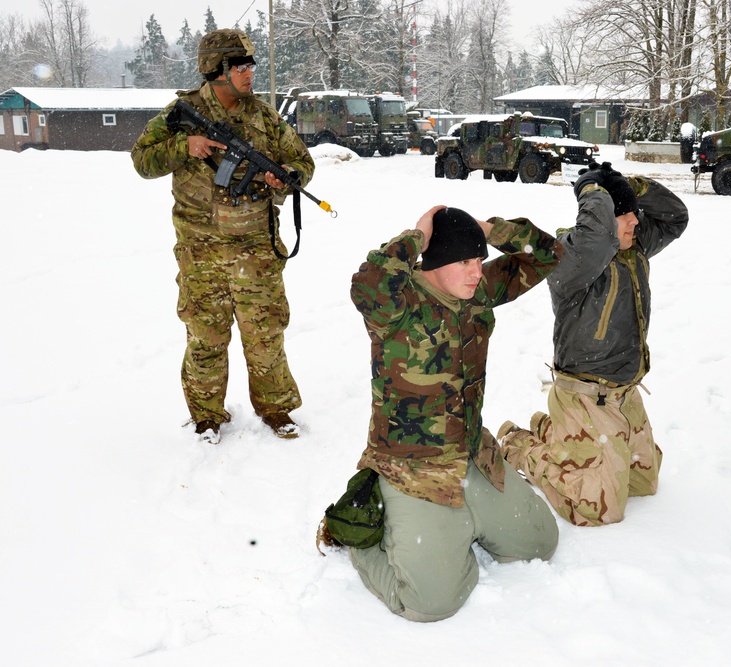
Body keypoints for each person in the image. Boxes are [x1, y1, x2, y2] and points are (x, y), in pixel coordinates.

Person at [338, 205, 562, 622]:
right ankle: (363, 535)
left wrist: (490, 230)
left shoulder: (476, 292)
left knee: (539, 543)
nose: (477, 271)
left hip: (471, 454)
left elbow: (548, 254)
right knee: (430, 604)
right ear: (436, 261)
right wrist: (418, 236)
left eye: (479, 260)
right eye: (464, 261)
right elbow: (366, 284)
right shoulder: (396, 304)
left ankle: (462, 524)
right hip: (413, 469)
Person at [131, 29, 315, 444]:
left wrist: (286, 179)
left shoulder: (264, 116)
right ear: (216, 70)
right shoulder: (182, 112)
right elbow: (142, 160)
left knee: (266, 332)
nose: (250, 74)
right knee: (205, 337)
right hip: (201, 251)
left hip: (256, 248)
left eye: (251, 66)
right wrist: (185, 146)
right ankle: (206, 416)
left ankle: (275, 409)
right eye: (241, 66)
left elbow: (299, 161)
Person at [499, 162, 689, 527]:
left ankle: (559, 434)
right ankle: (520, 446)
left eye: (635, 214)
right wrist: (591, 189)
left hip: (624, 393)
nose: (635, 222)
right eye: (624, 216)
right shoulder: (570, 258)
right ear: (604, 219)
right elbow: (598, 238)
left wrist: (632, 187)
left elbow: (675, 217)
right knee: (600, 510)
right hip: (587, 397)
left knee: (644, 484)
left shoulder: (633, 247)